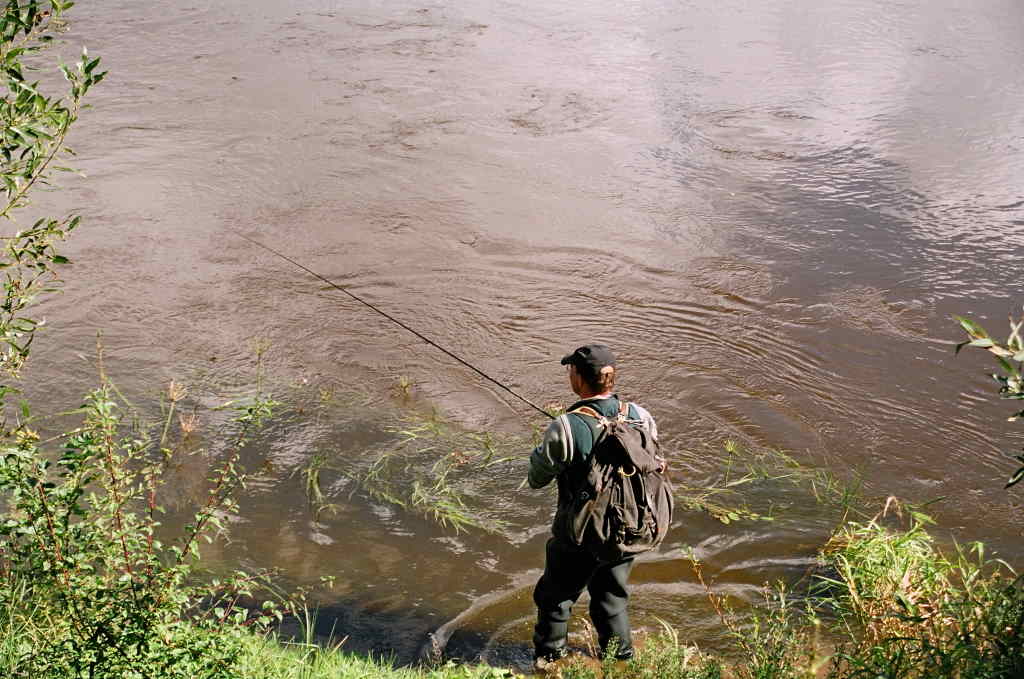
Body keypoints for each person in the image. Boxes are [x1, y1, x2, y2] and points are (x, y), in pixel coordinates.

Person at [527, 344, 659, 669]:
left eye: (571, 369)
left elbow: (537, 478)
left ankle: (549, 661)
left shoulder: (566, 425)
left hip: (580, 534)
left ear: (580, 380)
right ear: (610, 379)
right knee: (611, 599)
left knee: (554, 598)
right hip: (629, 527)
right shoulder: (641, 416)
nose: (569, 373)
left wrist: (544, 447)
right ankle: (621, 663)